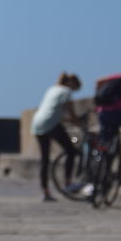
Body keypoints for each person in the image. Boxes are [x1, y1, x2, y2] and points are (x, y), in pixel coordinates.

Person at [31, 73, 84, 201]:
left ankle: (45, 192)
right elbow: (72, 115)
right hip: (51, 123)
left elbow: (53, 111)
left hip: (37, 122)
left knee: (45, 159)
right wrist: (81, 125)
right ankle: (68, 183)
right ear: (72, 84)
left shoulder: (52, 89)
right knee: (71, 150)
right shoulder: (66, 92)